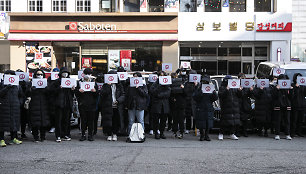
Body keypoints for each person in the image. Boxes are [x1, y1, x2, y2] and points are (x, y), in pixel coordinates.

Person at [50, 67, 75, 142]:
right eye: (64, 72)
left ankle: (66, 134)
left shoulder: (70, 81)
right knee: (58, 120)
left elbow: (72, 94)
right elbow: (51, 91)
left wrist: (73, 90)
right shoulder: (56, 82)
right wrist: (58, 88)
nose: (65, 74)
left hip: (68, 103)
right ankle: (58, 135)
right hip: (59, 104)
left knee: (67, 120)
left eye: (66, 72)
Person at [100, 70, 125, 141]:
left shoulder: (119, 85)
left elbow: (123, 94)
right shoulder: (105, 85)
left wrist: (118, 101)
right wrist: (108, 86)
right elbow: (102, 94)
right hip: (108, 106)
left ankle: (115, 133)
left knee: (116, 120)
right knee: (108, 120)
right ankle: (109, 134)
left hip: (116, 106)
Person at [0, 70, 23, 147]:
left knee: (14, 122)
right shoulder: (2, 84)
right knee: (3, 123)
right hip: (4, 106)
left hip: (15, 106)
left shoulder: (17, 86)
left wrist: (19, 102)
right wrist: (6, 88)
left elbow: (21, 96)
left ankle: (14, 138)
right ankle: (1, 139)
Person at [193, 75, 218, 141]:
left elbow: (214, 98)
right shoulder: (198, 87)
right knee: (201, 122)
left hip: (208, 107)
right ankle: (202, 135)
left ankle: (207, 135)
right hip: (201, 107)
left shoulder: (211, 88)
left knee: (208, 122)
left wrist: (214, 93)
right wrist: (200, 91)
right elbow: (195, 97)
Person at [28, 69, 50, 142]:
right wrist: (31, 89)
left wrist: (47, 89)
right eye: (38, 74)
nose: (39, 76)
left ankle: (43, 136)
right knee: (35, 122)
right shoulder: (31, 83)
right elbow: (27, 93)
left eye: (41, 74)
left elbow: (49, 94)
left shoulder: (46, 83)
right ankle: (36, 136)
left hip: (44, 105)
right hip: (34, 105)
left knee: (43, 122)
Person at [218, 75, 242, 140]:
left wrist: (239, 90)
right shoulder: (222, 87)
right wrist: (226, 89)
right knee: (224, 121)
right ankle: (221, 133)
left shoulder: (235, 87)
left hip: (234, 106)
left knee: (234, 122)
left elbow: (239, 96)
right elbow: (221, 95)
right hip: (226, 106)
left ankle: (232, 133)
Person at [76, 68, 97, 141]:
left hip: (91, 104)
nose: (88, 75)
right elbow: (76, 92)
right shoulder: (80, 82)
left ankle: (90, 135)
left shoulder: (94, 82)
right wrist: (79, 91)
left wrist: (95, 91)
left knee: (91, 120)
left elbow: (97, 94)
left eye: (89, 74)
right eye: (86, 74)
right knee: (83, 120)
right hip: (82, 104)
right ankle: (83, 134)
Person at [126, 72, 148, 136]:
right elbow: (127, 96)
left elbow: (145, 94)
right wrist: (127, 105)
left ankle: (141, 135)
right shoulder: (130, 86)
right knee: (131, 121)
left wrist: (138, 88)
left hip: (140, 105)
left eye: (137, 77)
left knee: (140, 121)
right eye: (134, 77)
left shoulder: (143, 85)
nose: (135, 78)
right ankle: (130, 135)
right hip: (131, 105)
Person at [150, 71, 171, 139]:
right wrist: (158, 86)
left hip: (164, 105)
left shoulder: (167, 84)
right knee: (156, 120)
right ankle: (156, 132)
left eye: (163, 76)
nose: (162, 77)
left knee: (163, 120)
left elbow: (168, 93)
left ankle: (162, 133)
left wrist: (159, 95)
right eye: (160, 76)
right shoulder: (155, 84)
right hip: (156, 104)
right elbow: (152, 91)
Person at [272, 74, 292, 140]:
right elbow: (274, 96)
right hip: (278, 105)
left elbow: (291, 97)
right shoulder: (275, 87)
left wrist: (291, 90)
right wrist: (277, 89)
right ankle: (277, 134)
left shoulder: (288, 87)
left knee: (287, 120)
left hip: (287, 105)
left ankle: (287, 134)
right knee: (278, 120)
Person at [170, 71, 186, 139]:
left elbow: (186, 94)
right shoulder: (170, 84)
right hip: (175, 104)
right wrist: (172, 98)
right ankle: (175, 131)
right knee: (175, 119)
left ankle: (181, 132)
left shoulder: (181, 83)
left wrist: (183, 88)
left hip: (181, 104)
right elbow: (170, 94)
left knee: (180, 119)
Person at [16, 69, 31, 140]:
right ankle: (15, 132)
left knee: (24, 119)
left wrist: (25, 85)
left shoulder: (27, 83)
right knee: (16, 119)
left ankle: (23, 132)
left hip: (24, 103)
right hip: (17, 103)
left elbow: (28, 92)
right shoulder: (14, 83)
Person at [237, 73, 253, 137]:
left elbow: (250, 95)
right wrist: (239, 90)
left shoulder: (247, 85)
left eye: (243, 78)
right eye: (241, 78)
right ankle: (238, 131)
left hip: (245, 104)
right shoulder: (237, 85)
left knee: (245, 119)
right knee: (238, 118)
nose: (242, 79)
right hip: (239, 103)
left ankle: (244, 131)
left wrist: (251, 90)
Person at [291, 73, 306, 137]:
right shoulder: (293, 85)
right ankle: (293, 132)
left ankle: (299, 132)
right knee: (294, 119)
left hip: (302, 105)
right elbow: (293, 95)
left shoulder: (303, 86)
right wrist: (296, 88)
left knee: (300, 120)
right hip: (295, 105)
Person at [47, 67, 60, 134]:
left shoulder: (61, 80)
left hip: (59, 99)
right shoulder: (49, 80)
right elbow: (49, 89)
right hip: (51, 99)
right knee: (52, 113)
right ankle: (52, 126)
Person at [184, 69, 196, 134]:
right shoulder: (187, 83)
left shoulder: (198, 83)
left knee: (195, 116)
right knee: (188, 115)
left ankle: (194, 128)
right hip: (188, 101)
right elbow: (185, 91)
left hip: (194, 101)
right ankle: (188, 128)